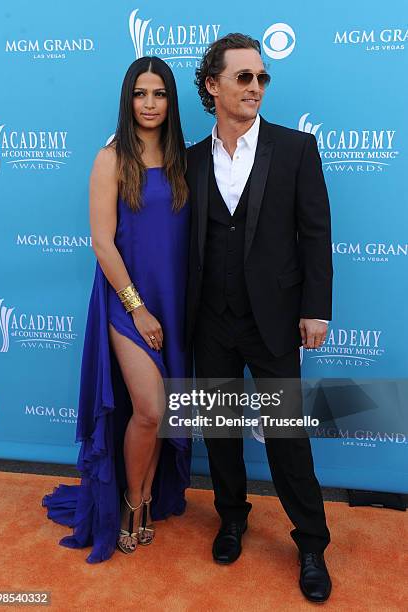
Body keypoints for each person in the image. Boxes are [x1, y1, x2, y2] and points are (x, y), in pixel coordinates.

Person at [185, 34, 333, 602]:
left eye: (262, 78)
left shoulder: (295, 149)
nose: (255, 87)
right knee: (219, 431)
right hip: (210, 320)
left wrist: (315, 308)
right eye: (244, 77)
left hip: (273, 320)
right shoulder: (193, 159)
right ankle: (231, 517)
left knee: (286, 437)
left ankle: (313, 542)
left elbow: (315, 234)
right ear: (213, 86)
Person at [42, 56, 191, 563]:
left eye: (159, 94)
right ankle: (129, 503)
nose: (149, 104)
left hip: (175, 302)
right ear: (128, 100)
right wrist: (139, 308)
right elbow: (102, 244)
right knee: (149, 409)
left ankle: (147, 497)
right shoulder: (110, 159)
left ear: (171, 102)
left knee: (163, 414)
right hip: (127, 301)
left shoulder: (184, 160)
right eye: (140, 94)